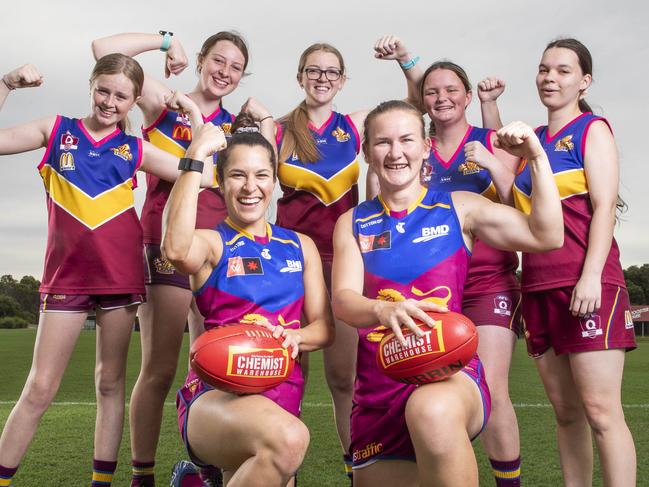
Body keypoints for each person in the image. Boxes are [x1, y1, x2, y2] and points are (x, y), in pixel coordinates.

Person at [0, 56, 220, 486]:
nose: (109, 102)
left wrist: (194, 119)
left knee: (110, 384)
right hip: (65, 278)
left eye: (121, 96)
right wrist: (7, 83)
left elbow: (205, 174)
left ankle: (102, 481)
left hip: (121, 279)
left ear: (134, 101)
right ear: (91, 86)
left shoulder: (135, 148)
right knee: (40, 388)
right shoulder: (55, 130)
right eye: (103, 90)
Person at [331, 100, 563, 487]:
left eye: (407, 139)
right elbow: (343, 300)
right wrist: (383, 311)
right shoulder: (352, 222)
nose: (395, 152)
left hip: (447, 377)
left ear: (426, 147)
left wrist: (537, 159)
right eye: (383, 142)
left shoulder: (460, 207)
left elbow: (547, 235)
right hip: (378, 390)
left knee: (431, 411)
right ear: (367, 152)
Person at [91, 31, 274, 487]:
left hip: (219, 253)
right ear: (201, 60)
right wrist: (164, 40)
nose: (224, 72)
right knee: (159, 367)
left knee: (216, 365)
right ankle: (143, 474)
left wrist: (266, 118)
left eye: (235, 67)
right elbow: (104, 52)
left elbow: (266, 177)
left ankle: (205, 468)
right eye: (218, 60)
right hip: (166, 246)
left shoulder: (235, 127)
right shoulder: (165, 103)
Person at [482, 38, 637, 486]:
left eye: (563, 71)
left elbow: (605, 206)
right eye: (544, 69)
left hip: (589, 284)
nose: (550, 77)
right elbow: (508, 192)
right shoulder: (535, 139)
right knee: (567, 414)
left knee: (601, 412)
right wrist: (490, 106)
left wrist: (590, 278)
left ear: (584, 81)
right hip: (537, 286)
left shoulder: (592, 129)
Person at [369, 36, 523, 485]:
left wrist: (496, 166)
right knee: (424, 390)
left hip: (487, 280)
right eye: (432, 92)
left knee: (491, 389)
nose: (442, 98)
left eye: (452, 90)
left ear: (468, 97)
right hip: (428, 289)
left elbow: (521, 210)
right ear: (422, 101)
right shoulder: (413, 150)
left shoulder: (492, 140)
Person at [163, 115, 335, 487]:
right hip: (215, 401)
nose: (250, 187)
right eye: (238, 175)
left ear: (274, 182)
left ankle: (197, 482)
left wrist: (297, 338)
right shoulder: (213, 243)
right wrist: (195, 156)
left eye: (261, 175)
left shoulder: (300, 246)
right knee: (288, 442)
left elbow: (323, 327)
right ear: (221, 183)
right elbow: (175, 248)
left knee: (280, 449)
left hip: (280, 400)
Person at [274, 42, 368, 479]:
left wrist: (405, 59)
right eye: (314, 71)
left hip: (342, 262)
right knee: (285, 376)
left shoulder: (355, 125)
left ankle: (355, 469)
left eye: (332, 72)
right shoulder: (277, 130)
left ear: (343, 80)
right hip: (288, 263)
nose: (323, 78)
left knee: (344, 378)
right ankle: (281, 468)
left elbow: (412, 103)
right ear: (300, 77)